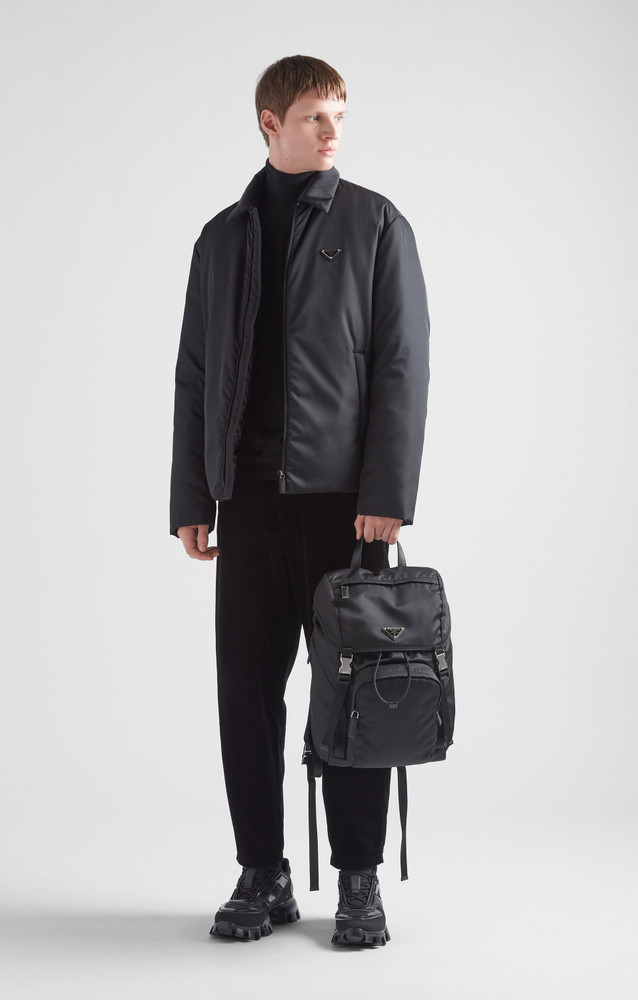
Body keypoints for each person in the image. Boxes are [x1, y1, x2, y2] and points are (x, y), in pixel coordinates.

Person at [168, 54, 430, 946]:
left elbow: (402, 366)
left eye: (341, 117)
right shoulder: (220, 239)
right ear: (270, 123)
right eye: (317, 116)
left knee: (356, 691)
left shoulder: (375, 223)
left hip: (344, 507)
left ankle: (359, 880)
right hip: (247, 503)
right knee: (245, 693)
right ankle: (263, 871)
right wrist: (193, 494)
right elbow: (194, 375)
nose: (332, 132)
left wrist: (387, 492)